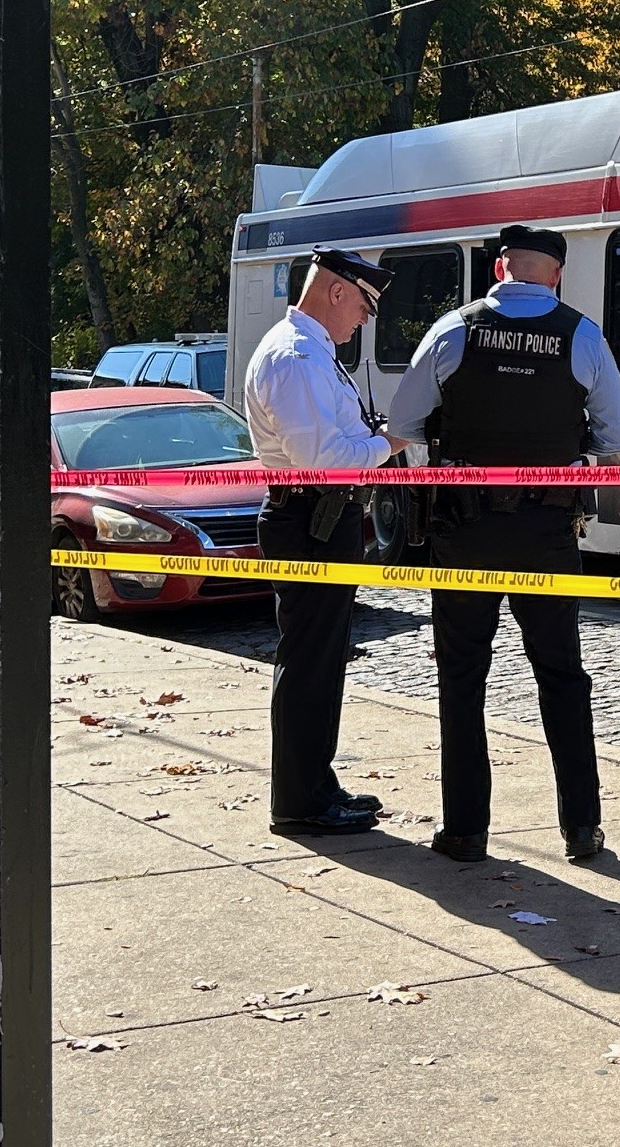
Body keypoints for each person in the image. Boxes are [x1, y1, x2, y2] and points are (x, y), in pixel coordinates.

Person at [389, 223, 620, 863]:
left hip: (464, 534)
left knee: (462, 679)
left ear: (500, 268)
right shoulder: (581, 335)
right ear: (554, 274)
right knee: (561, 677)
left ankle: (465, 830)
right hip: (547, 534)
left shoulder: (452, 330)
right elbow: (618, 435)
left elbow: (402, 422)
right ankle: (581, 827)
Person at [243, 247, 412, 834]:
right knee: (310, 658)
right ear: (338, 290)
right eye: (365, 304)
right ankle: (300, 800)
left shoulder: (313, 352)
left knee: (323, 656)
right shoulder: (295, 357)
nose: (365, 319)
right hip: (310, 517)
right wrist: (388, 445)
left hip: (322, 519)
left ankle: (315, 782)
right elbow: (323, 460)